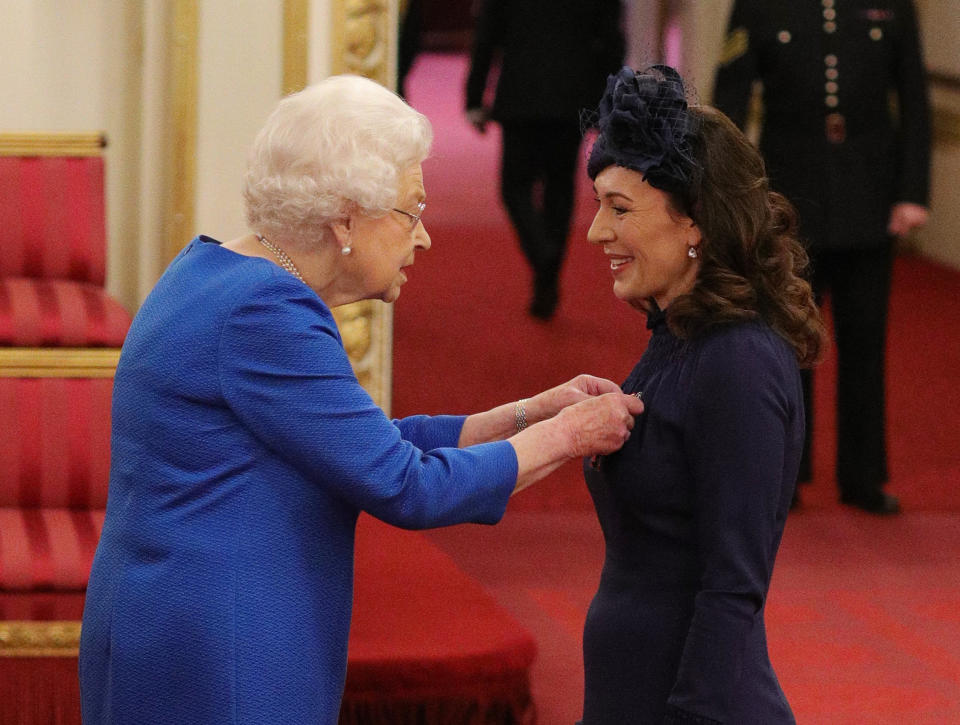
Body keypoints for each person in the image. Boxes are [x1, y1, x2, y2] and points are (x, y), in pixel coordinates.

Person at [78, 74, 644, 725]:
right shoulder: (270, 311)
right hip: (224, 653)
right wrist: (570, 435)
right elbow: (406, 486)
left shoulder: (215, 271)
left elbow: (356, 443)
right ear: (346, 217)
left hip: (171, 624)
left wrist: (524, 415)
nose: (423, 237)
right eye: (410, 212)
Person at [578, 65, 827, 723]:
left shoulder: (738, 360)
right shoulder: (675, 335)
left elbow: (732, 586)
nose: (597, 232)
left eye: (620, 208)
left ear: (692, 222)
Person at [712, 0, 931, 514]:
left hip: (869, 195)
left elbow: (914, 98)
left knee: (864, 341)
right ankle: (784, 473)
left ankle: (863, 476)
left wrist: (912, 191)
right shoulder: (760, 7)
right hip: (790, 200)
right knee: (786, 346)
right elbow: (733, 97)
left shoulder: (892, 6)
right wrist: (732, 195)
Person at [465, 0, 625, 320]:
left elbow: (487, 35)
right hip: (571, 98)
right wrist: (603, 99)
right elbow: (611, 41)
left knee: (514, 188)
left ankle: (542, 255)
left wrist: (474, 96)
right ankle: (548, 281)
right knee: (560, 187)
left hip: (520, 95)